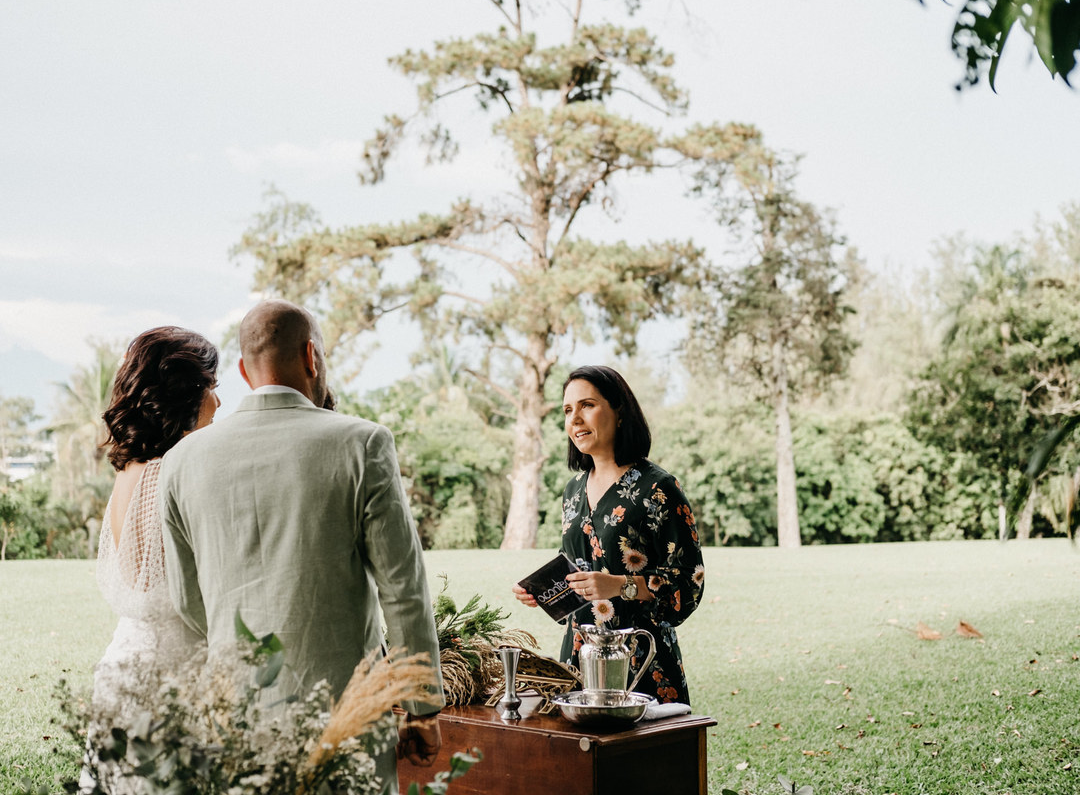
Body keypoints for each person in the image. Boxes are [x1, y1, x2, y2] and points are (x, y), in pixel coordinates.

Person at [158, 299, 444, 793]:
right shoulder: (363, 443)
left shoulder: (182, 460)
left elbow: (188, 599)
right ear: (312, 357)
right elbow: (403, 589)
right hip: (343, 711)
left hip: (237, 715)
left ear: (245, 372)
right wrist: (421, 707)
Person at [512, 365, 704, 704]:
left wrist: (619, 585)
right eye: (568, 410)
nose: (575, 419)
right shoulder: (572, 490)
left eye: (587, 405)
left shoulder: (658, 487)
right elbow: (577, 567)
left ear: (619, 411)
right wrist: (544, 591)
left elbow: (689, 583)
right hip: (578, 661)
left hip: (643, 664)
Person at [92, 326, 218, 713]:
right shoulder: (175, 474)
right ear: (185, 394)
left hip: (127, 660)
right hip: (176, 673)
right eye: (211, 385)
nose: (217, 399)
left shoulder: (130, 470)